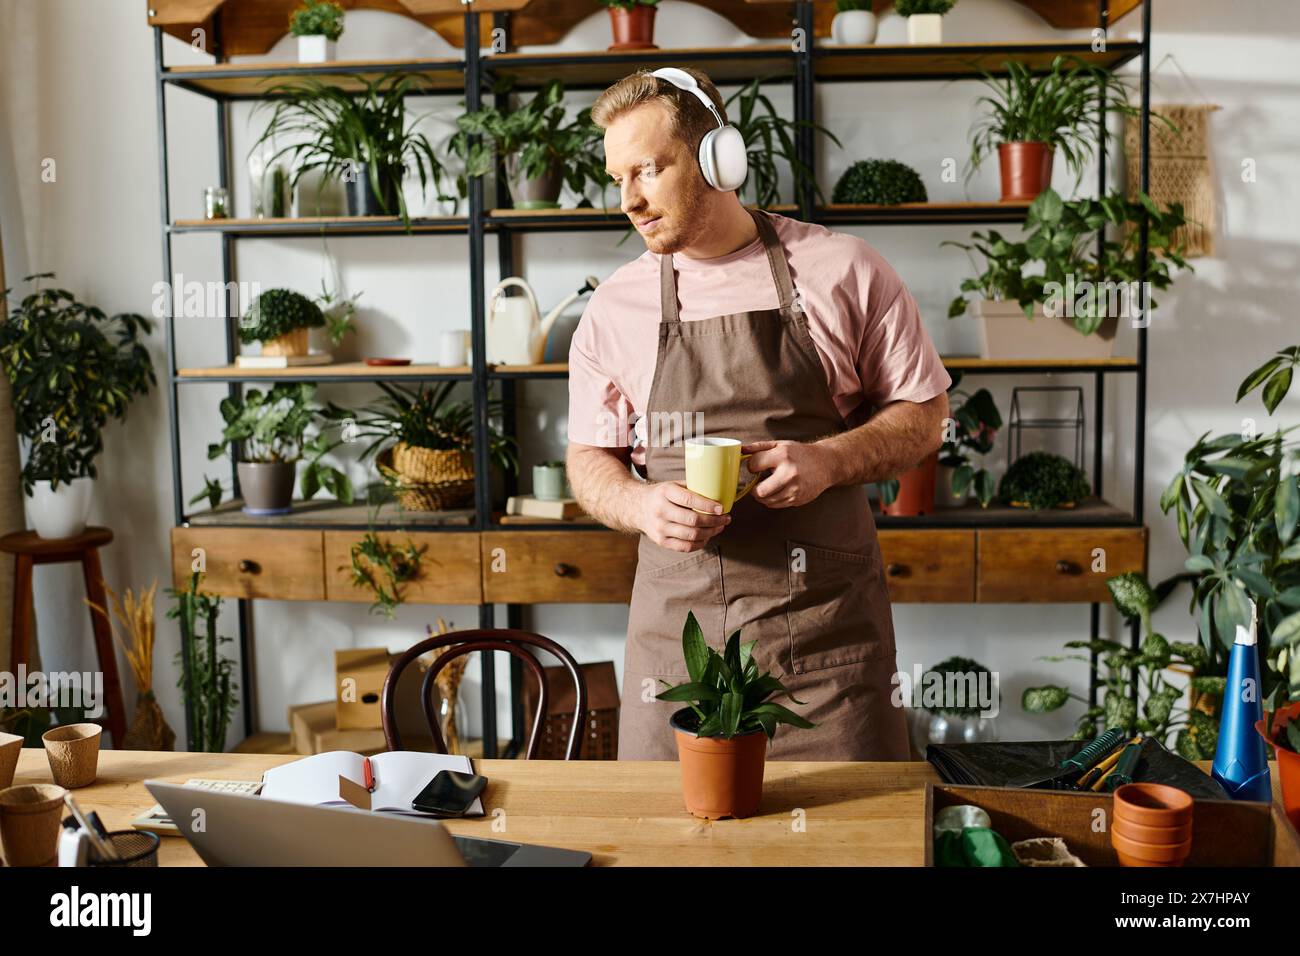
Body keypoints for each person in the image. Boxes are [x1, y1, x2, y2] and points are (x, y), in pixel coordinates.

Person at [565, 66, 951, 760]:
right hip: (676, 656)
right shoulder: (613, 308)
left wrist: (830, 460)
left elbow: (924, 416)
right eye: (617, 178)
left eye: (647, 171)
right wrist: (640, 504)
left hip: (828, 655)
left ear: (719, 156)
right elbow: (590, 458)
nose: (629, 199)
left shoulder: (844, 270)